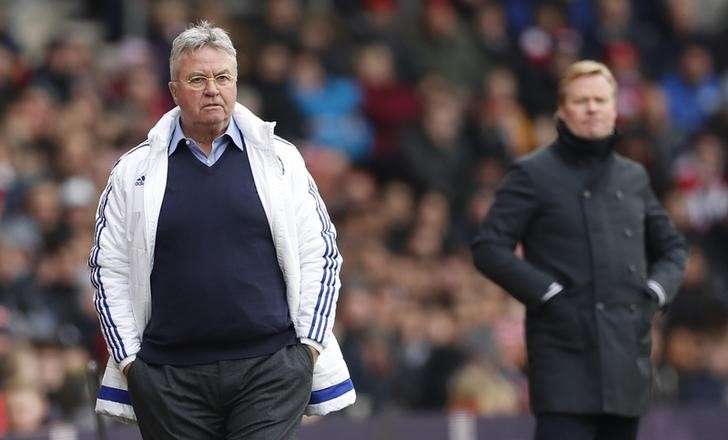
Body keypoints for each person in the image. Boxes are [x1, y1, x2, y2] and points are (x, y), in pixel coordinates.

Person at [89, 21, 355, 439]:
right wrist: (130, 364)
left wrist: (308, 349)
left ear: (236, 83)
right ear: (174, 90)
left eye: (222, 77)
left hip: (270, 368)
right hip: (168, 378)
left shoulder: (281, 160)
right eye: (197, 79)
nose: (212, 88)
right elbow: (109, 269)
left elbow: (321, 254)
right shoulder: (132, 171)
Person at [471, 60, 687, 440]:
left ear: (615, 108)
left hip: (625, 361)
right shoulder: (533, 173)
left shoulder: (633, 176)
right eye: (582, 100)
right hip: (563, 362)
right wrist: (547, 294)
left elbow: (672, 248)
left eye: (601, 100)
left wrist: (654, 293)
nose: (592, 108)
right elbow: (489, 246)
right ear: (562, 110)